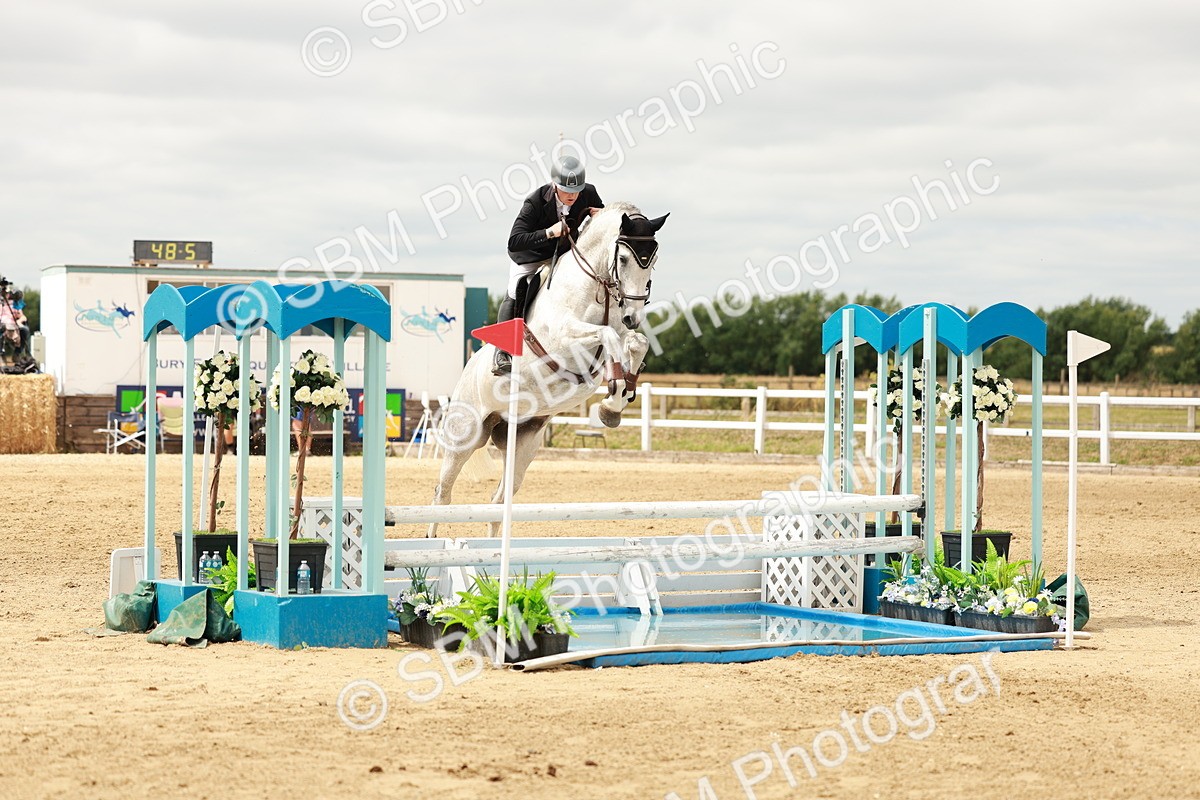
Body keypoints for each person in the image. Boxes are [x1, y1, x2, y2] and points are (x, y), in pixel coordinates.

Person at [493, 154, 603, 375]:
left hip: (564, 253)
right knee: (515, 289)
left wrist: (601, 215)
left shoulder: (588, 193)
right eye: (566, 190)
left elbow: (602, 215)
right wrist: (548, 233)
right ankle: (501, 352)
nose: (572, 195)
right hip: (530, 256)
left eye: (576, 190)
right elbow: (514, 241)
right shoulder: (534, 202)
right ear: (555, 185)